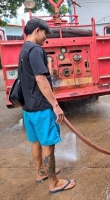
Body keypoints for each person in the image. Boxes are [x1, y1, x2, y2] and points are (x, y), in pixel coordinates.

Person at [20, 18, 75, 194]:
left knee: (36, 141)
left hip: (29, 108)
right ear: (37, 30)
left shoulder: (23, 49)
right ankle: (54, 183)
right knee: (48, 145)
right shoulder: (36, 50)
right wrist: (55, 105)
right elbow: (40, 78)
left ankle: (41, 173)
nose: (46, 39)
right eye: (45, 34)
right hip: (42, 108)